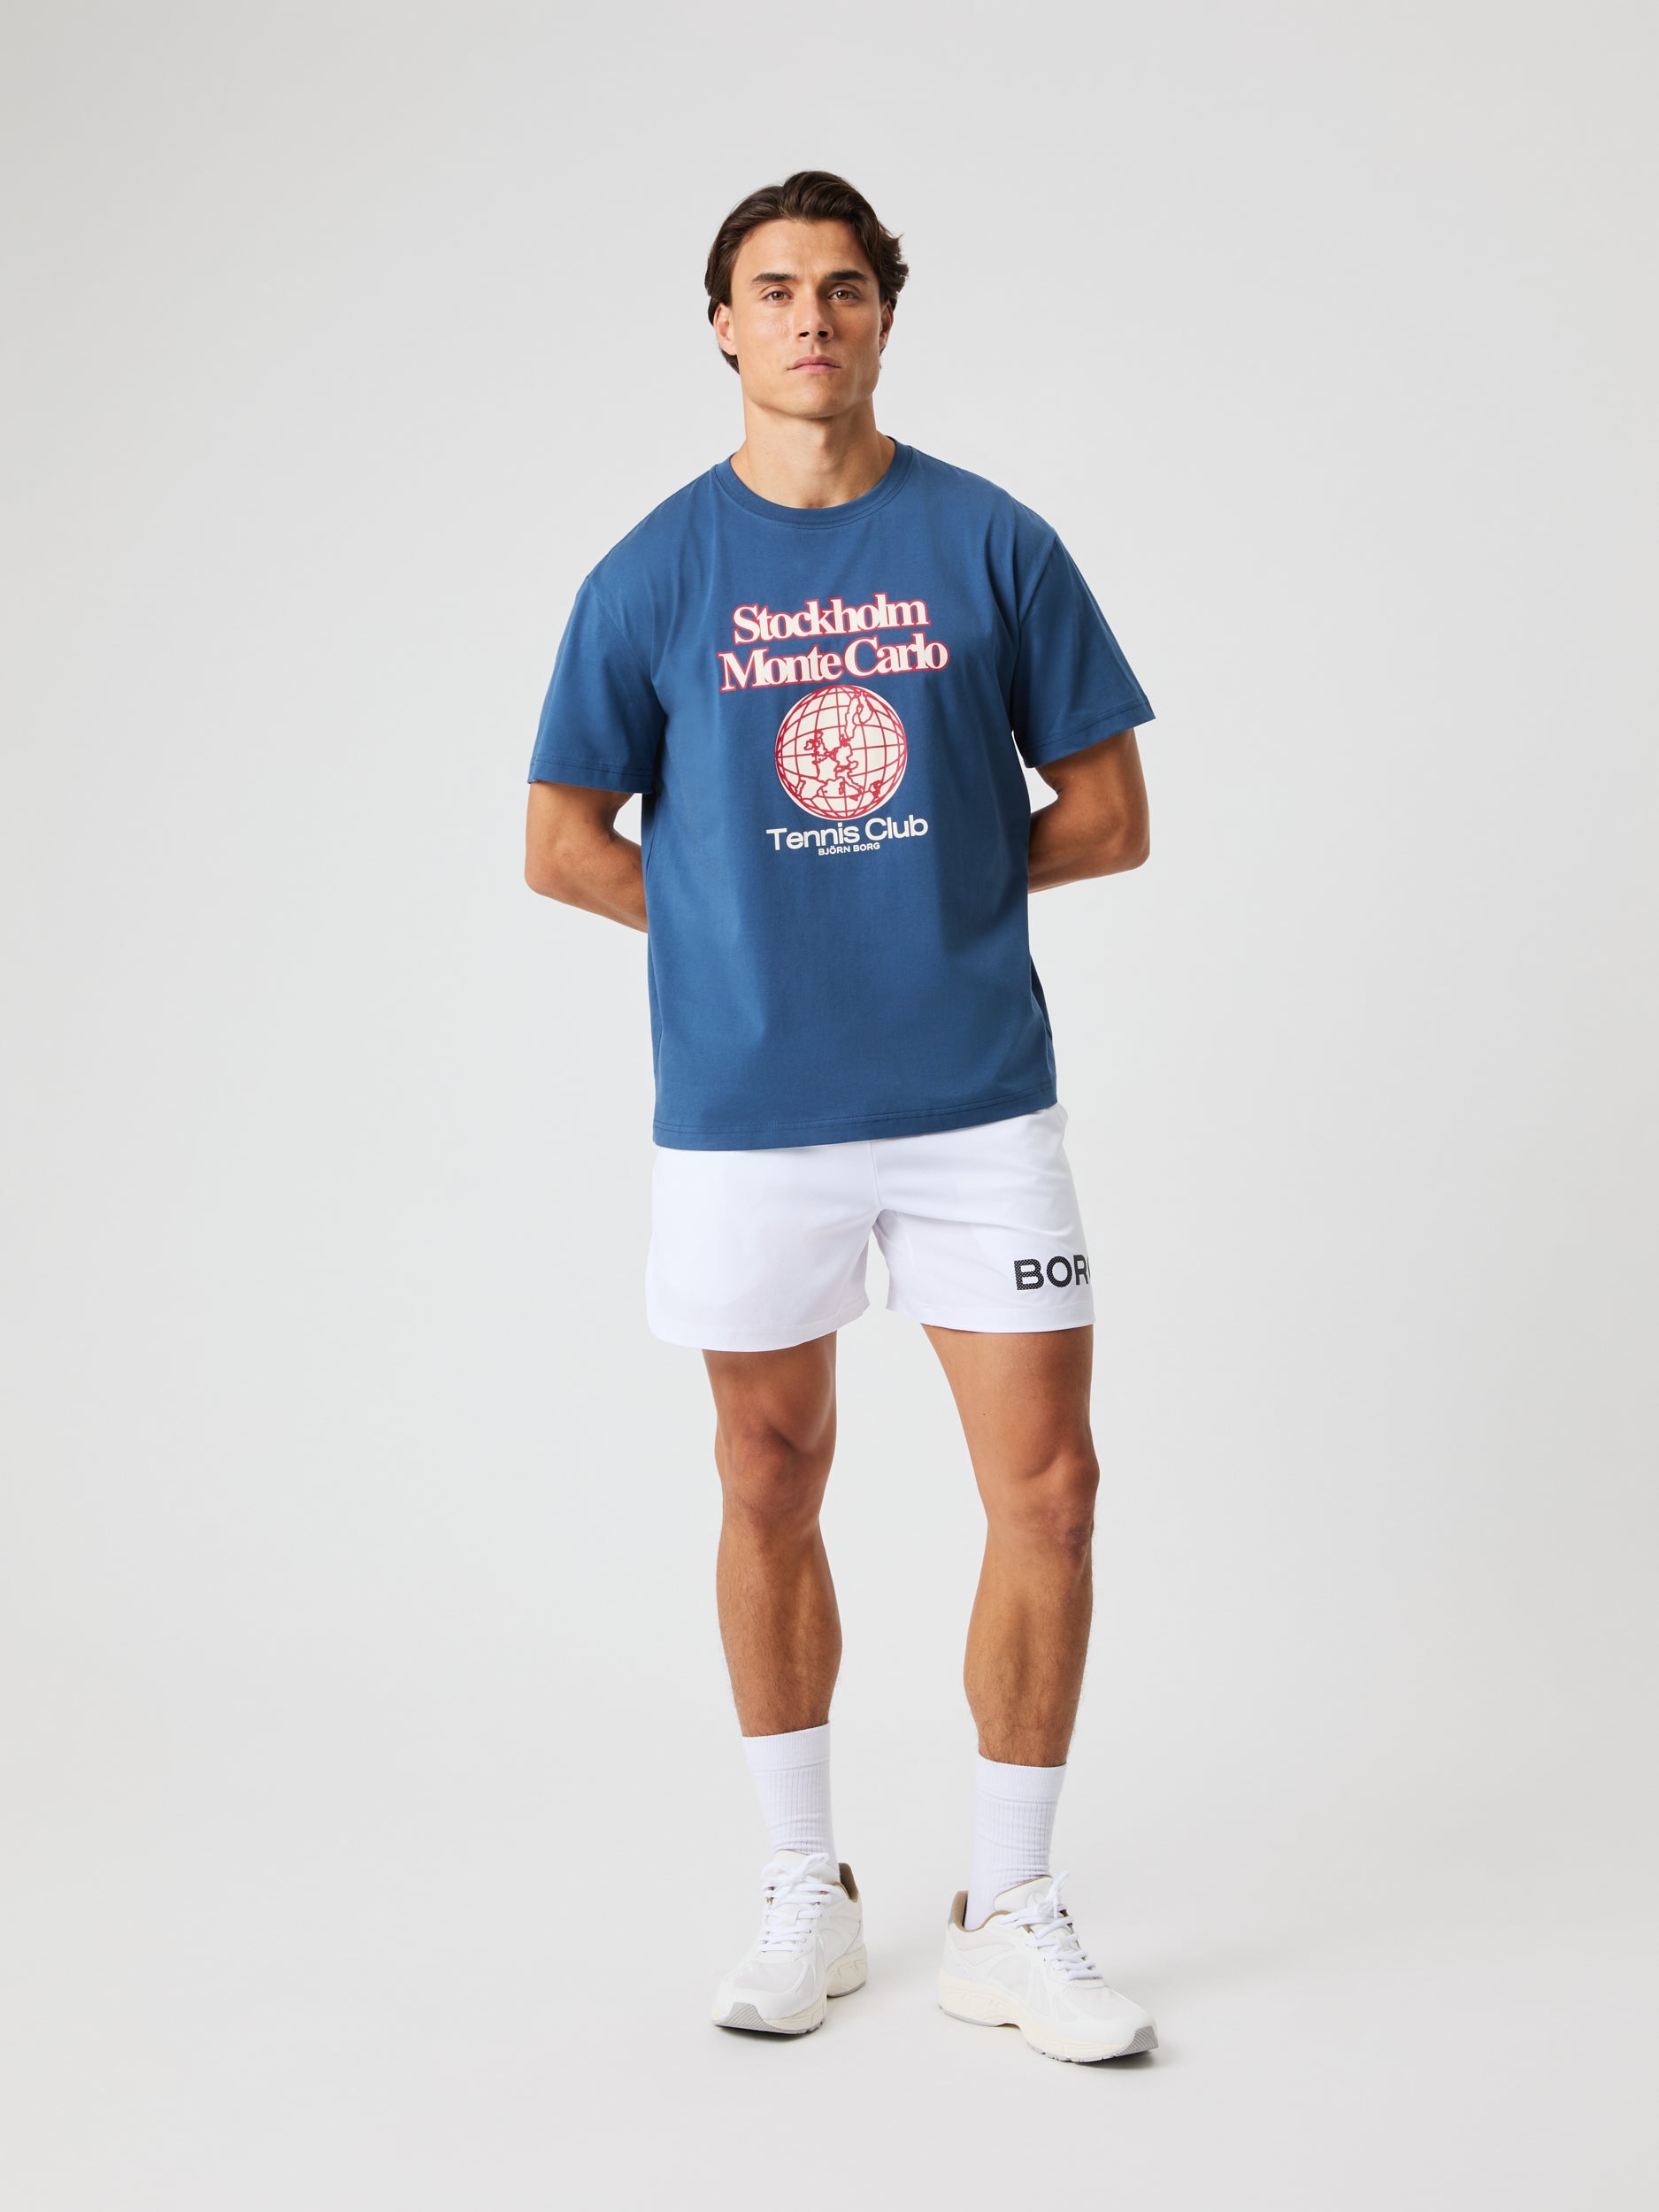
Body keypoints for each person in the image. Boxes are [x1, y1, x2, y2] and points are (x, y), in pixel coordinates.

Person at [523, 170, 1159, 2064]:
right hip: (750, 1109)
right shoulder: (651, 574)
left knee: (1050, 1487)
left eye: (845, 288)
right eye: (775, 288)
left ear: (886, 313)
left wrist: (922, 900)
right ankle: (805, 1882)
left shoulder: (990, 542)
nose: (812, 316)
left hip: (973, 1103)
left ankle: (1009, 1906)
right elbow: (562, 841)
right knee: (766, 1471)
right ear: (721, 325)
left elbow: (1109, 814)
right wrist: (745, 927)